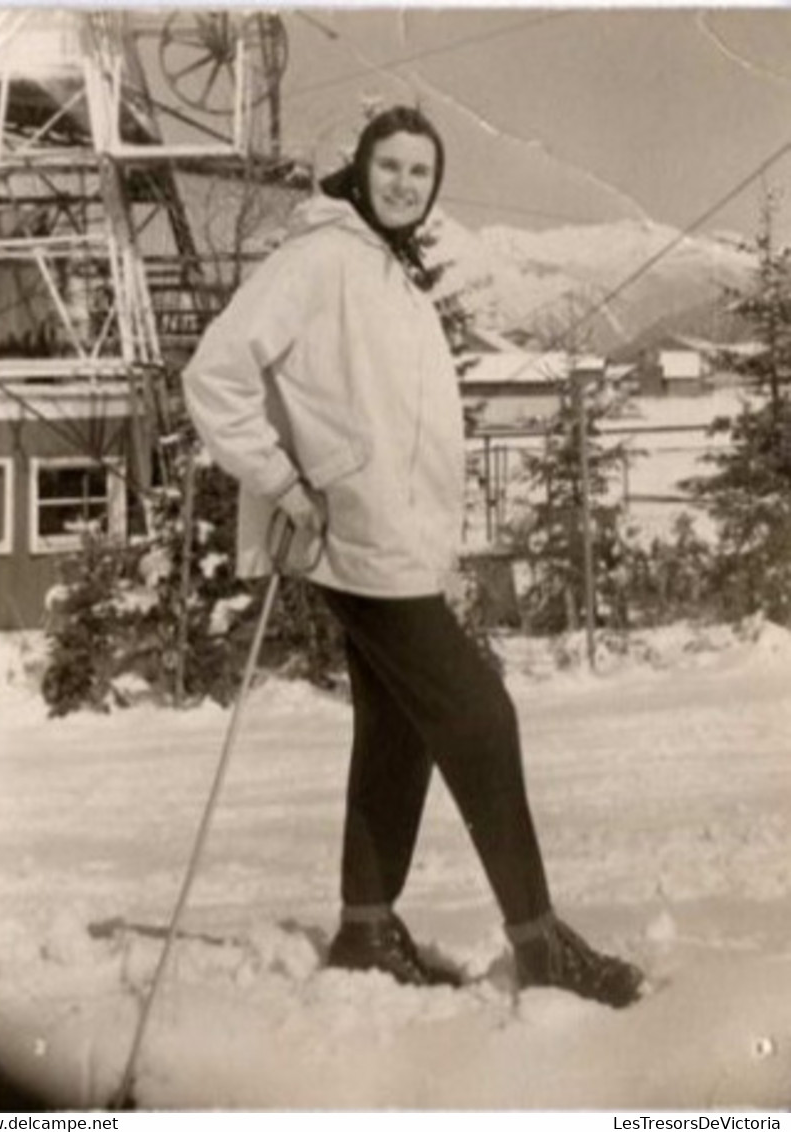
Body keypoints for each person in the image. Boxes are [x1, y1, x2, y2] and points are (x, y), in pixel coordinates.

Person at [183, 105, 645, 1008]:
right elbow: (216, 375)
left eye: (419, 173)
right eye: (388, 167)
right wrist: (280, 480)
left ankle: (364, 930)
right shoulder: (316, 259)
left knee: (398, 729)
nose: (403, 183)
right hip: (352, 536)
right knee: (481, 717)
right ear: (359, 172)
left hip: (392, 541)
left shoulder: (385, 268)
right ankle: (539, 942)